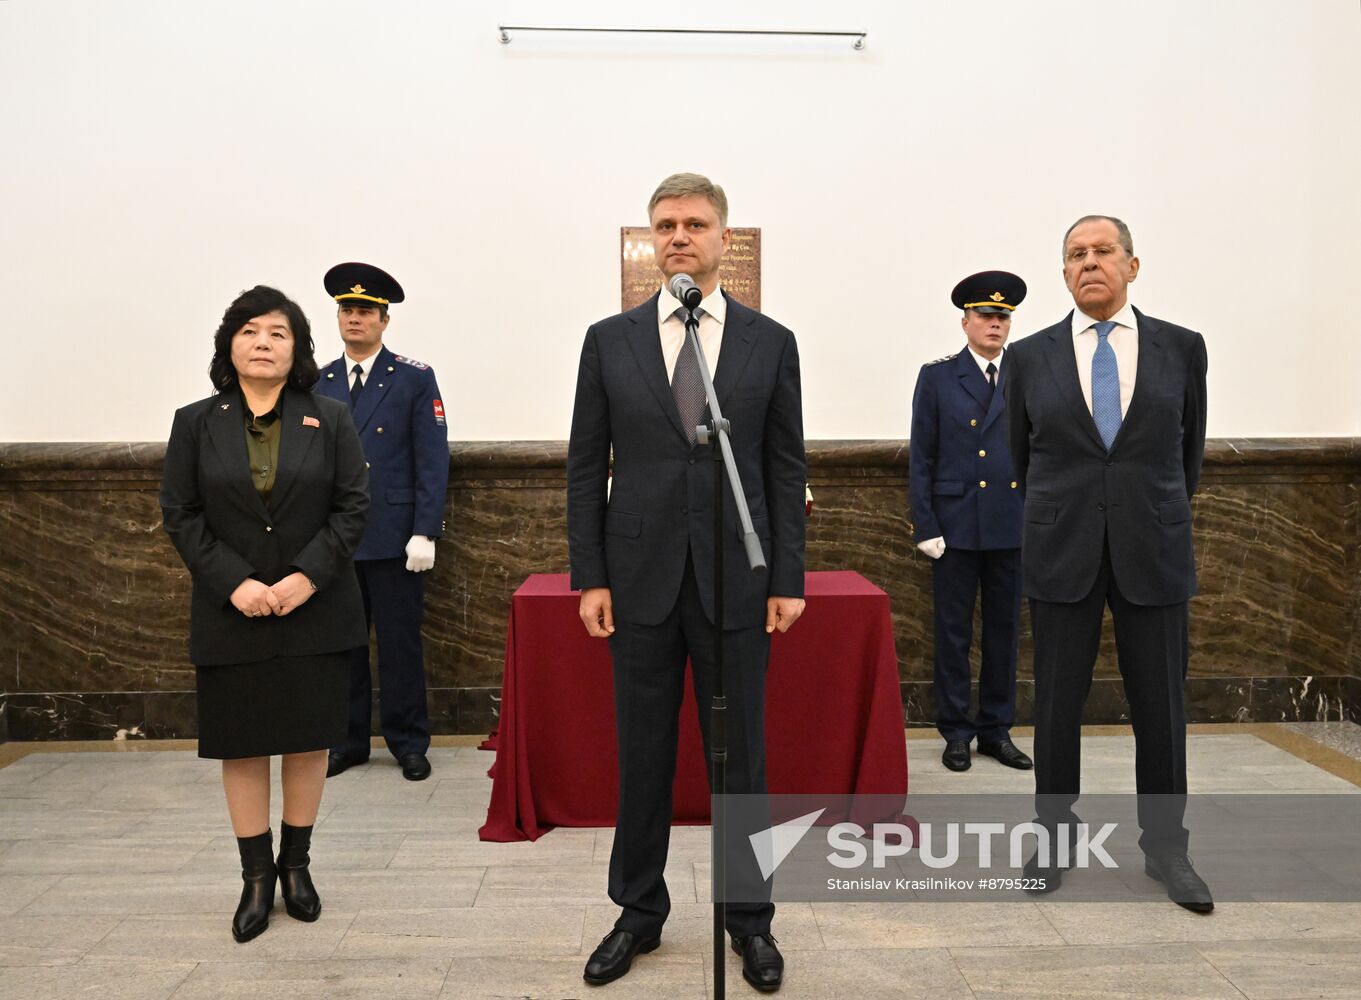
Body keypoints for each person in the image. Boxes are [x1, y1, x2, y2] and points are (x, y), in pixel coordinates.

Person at [567, 173, 806, 992]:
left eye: (695, 224)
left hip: (736, 581)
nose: (679, 236)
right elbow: (581, 467)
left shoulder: (768, 342)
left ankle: (751, 922)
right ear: (650, 238)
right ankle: (637, 911)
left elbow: (782, 467)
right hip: (636, 581)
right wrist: (588, 576)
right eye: (665, 224)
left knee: (743, 760)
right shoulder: (609, 339)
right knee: (641, 755)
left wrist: (786, 575)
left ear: (722, 240)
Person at [1006, 215, 1212, 911]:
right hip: (1061, 548)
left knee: (1160, 706)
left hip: (1152, 547)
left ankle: (1165, 848)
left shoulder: (1180, 349)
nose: (1087, 262)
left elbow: (1187, 456)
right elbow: (1018, 456)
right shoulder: (1029, 356)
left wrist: (1145, 509)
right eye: (1074, 255)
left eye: (1101, 252)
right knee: (1056, 705)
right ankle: (1055, 839)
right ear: (1062, 273)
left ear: (1132, 265)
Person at [160, 285, 369, 942]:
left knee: (308, 740)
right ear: (230, 343)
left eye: (278, 333)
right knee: (244, 745)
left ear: (297, 349)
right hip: (233, 614)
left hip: (316, 608)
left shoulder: (329, 417)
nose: (262, 343)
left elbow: (353, 507)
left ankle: (296, 867)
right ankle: (255, 877)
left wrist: (308, 575)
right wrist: (235, 583)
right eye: (250, 331)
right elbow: (181, 513)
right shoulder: (196, 421)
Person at [315, 262, 450, 782]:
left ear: (384, 321)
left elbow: (432, 457)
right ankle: (346, 741)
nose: (354, 319)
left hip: (396, 538)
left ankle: (408, 741)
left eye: (365, 311)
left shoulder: (414, 377)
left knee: (400, 645)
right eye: (347, 310)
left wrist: (425, 529)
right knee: (342, 647)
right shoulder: (319, 381)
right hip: (336, 540)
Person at [909, 271, 1031, 773]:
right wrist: (925, 525)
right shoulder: (938, 377)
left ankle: (995, 731)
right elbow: (922, 456)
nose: (995, 325)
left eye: (1003, 317)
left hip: (1012, 523)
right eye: (985, 315)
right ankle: (957, 731)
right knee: (953, 633)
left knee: (1004, 633)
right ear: (965, 322)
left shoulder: (1028, 374)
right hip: (955, 526)